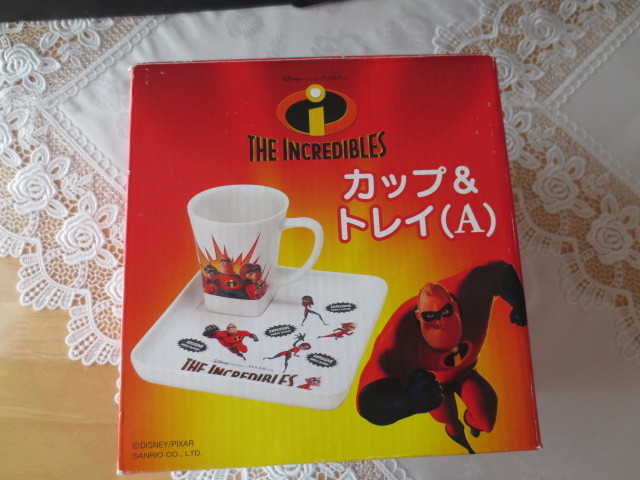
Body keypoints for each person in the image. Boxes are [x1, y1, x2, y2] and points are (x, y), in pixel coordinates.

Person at [357, 260, 527, 454]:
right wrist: (409, 401)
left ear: (455, 305)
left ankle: (469, 424)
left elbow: (500, 270)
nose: (440, 322)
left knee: (485, 422)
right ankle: (455, 432)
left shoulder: (471, 289)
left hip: (465, 372)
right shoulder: (398, 338)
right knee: (449, 420)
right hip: (434, 386)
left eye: (446, 312)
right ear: (419, 316)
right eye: (431, 317)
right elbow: (368, 404)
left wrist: (519, 303)